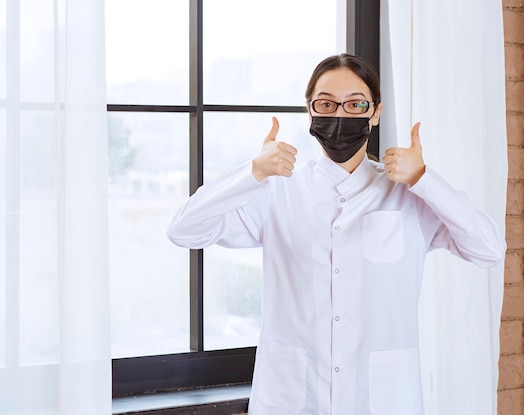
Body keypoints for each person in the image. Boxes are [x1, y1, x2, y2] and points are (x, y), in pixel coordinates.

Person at [167, 53, 506, 415]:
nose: (340, 115)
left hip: (382, 400)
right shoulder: (278, 191)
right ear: (310, 110)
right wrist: (252, 173)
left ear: (375, 112)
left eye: (356, 104)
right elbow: (183, 230)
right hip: (291, 398)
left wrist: (425, 179)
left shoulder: (409, 196)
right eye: (326, 104)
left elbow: (489, 249)